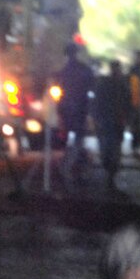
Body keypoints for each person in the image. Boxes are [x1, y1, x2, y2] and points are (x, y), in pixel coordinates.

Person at [53, 42, 95, 180]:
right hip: (78, 109)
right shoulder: (84, 70)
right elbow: (91, 89)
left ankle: (71, 166)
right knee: (78, 139)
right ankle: (69, 166)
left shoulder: (64, 72)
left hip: (69, 109)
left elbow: (58, 92)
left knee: (75, 140)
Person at [92, 60, 130, 186]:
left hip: (113, 121)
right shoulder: (111, 83)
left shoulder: (117, 84)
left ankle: (111, 173)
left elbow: (127, 102)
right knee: (110, 149)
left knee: (111, 149)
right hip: (109, 121)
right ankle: (111, 172)